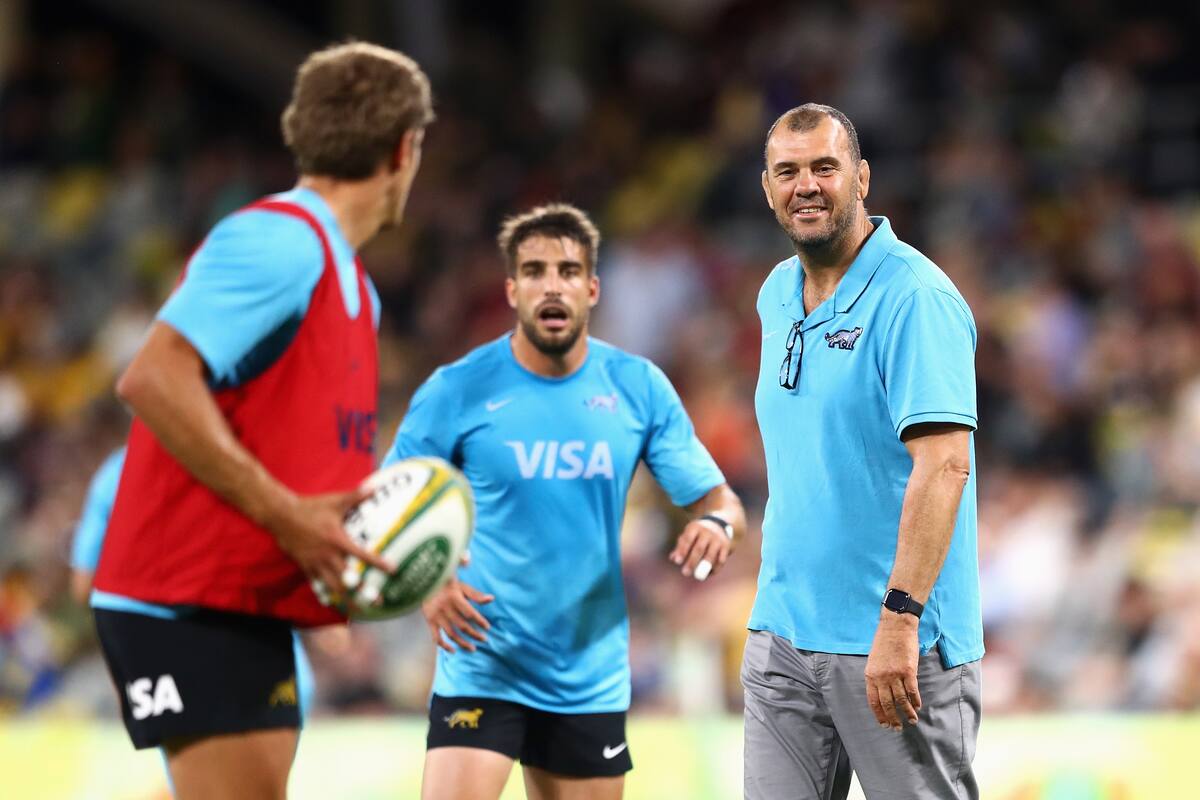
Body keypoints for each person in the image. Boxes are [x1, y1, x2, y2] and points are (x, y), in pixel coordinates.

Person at [90, 42, 433, 798]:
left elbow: (302, 460)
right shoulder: (278, 241)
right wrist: (287, 516)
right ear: (404, 148)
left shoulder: (351, 283)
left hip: (244, 600)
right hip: (181, 593)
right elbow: (152, 378)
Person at [385, 203, 747, 800]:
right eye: (533, 270)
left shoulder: (636, 387)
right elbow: (389, 502)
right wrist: (429, 581)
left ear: (593, 287)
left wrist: (716, 524)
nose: (551, 284)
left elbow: (721, 503)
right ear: (511, 288)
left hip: (588, 677)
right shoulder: (458, 388)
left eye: (568, 270)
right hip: (483, 663)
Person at [742, 103, 982, 799]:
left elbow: (946, 465)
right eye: (788, 171)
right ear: (766, 187)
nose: (806, 185)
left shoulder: (916, 298)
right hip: (783, 637)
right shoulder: (775, 295)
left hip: (898, 644)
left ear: (862, 178)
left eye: (825, 166)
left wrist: (900, 620)